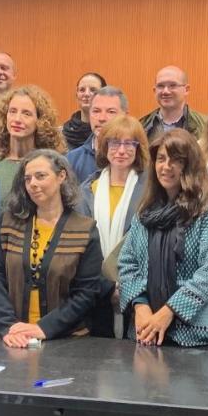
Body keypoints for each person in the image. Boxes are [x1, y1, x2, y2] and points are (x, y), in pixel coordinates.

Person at [118, 129, 208, 347]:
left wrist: (168, 312)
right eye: (161, 159)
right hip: (146, 333)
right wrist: (140, 306)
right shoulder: (145, 213)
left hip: (196, 339)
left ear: (190, 164)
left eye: (175, 160)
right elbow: (127, 263)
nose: (166, 166)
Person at [0, 150, 103, 346]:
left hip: (66, 341)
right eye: (28, 178)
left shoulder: (84, 229)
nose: (33, 184)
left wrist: (44, 328)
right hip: (13, 338)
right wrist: (8, 327)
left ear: (61, 176)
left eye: (41, 176)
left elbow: (86, 293)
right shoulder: (8, 224)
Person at [81, 115, 150, 337]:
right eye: (115, 142)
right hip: (94, 290)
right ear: (104, 146)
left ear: (139, 148)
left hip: (139, 292)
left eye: (130, 143)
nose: (121, 150)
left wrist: (126, 287)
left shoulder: (150, 192)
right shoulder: (85, 191)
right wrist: (107, 287)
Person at [0, 85, 66, 214]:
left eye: (26, 114)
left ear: (40, 121)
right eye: (12, 111)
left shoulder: (53, 163)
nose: (17, 119)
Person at [66, 85, 128, 184]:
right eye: (96, 111)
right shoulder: (72, 160)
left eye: (111, 112)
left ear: (125, 116)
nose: (102, 118)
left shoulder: (135, 158)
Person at [139, 65, 205, 141]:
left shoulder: (205, 125)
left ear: (186, 89)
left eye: (172, 85)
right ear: (154, 91)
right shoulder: (141, 126)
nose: (165, 91)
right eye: (160, 86)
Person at [62, 72, 107, 150]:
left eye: (93, 90)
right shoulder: (60, 135)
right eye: (82, 90)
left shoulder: (112, 133)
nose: (86, 94)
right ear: (77, 95)